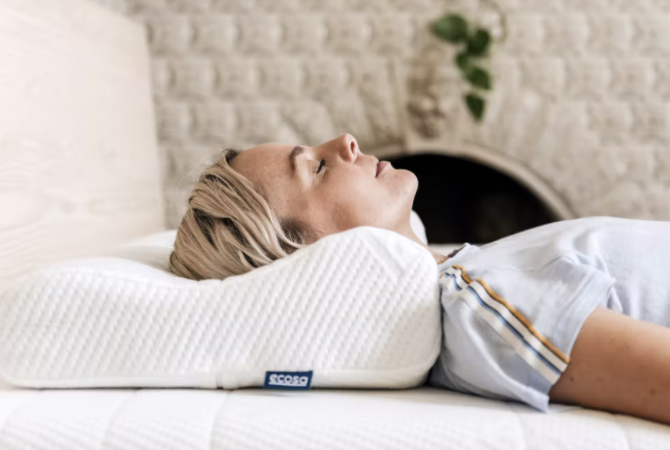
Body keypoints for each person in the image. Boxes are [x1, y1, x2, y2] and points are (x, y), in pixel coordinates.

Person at [169, 133, 670, 426]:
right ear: (305, 257)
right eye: (317, 168)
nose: (345, 140)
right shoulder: (475, 308)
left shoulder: (464, 273)